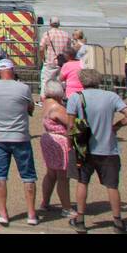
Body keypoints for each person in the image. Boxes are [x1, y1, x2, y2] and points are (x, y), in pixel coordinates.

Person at [65, 67, 127, 233]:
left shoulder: (76, 98)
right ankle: (118, 222)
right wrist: (116, 126)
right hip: (108, 149)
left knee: (82, 182)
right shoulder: (111, 96)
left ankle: (80, 219)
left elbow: (70, 126)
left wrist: (70, 145)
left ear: (82, 81)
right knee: (112, 186)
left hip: (84, 149)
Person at [0, 58, 38, 227]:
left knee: (0, 176)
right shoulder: (23, 88)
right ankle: (31, 214)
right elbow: (30, 109)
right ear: (12, 70)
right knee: (28, 177)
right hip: (20, 137)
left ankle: (3, 213)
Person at [38, 79, 74, 219]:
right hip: (59, 141)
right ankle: (66, 207)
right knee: (62, 177)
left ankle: (45, 202)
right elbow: (70, 124)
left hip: (48, 138)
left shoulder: (46, 103)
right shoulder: (58, 108)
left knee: (51, 174)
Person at [39, 17, 70, 97]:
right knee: (60, 82)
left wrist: (43, 58)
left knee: (46, 81)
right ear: (59, 24)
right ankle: (61, 98)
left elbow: (41, 48)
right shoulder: (66, 35)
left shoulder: (47, 34)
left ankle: (44, 98)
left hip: (50, 61)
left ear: (50, 23)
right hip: (62, 63)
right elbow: (69, 49)